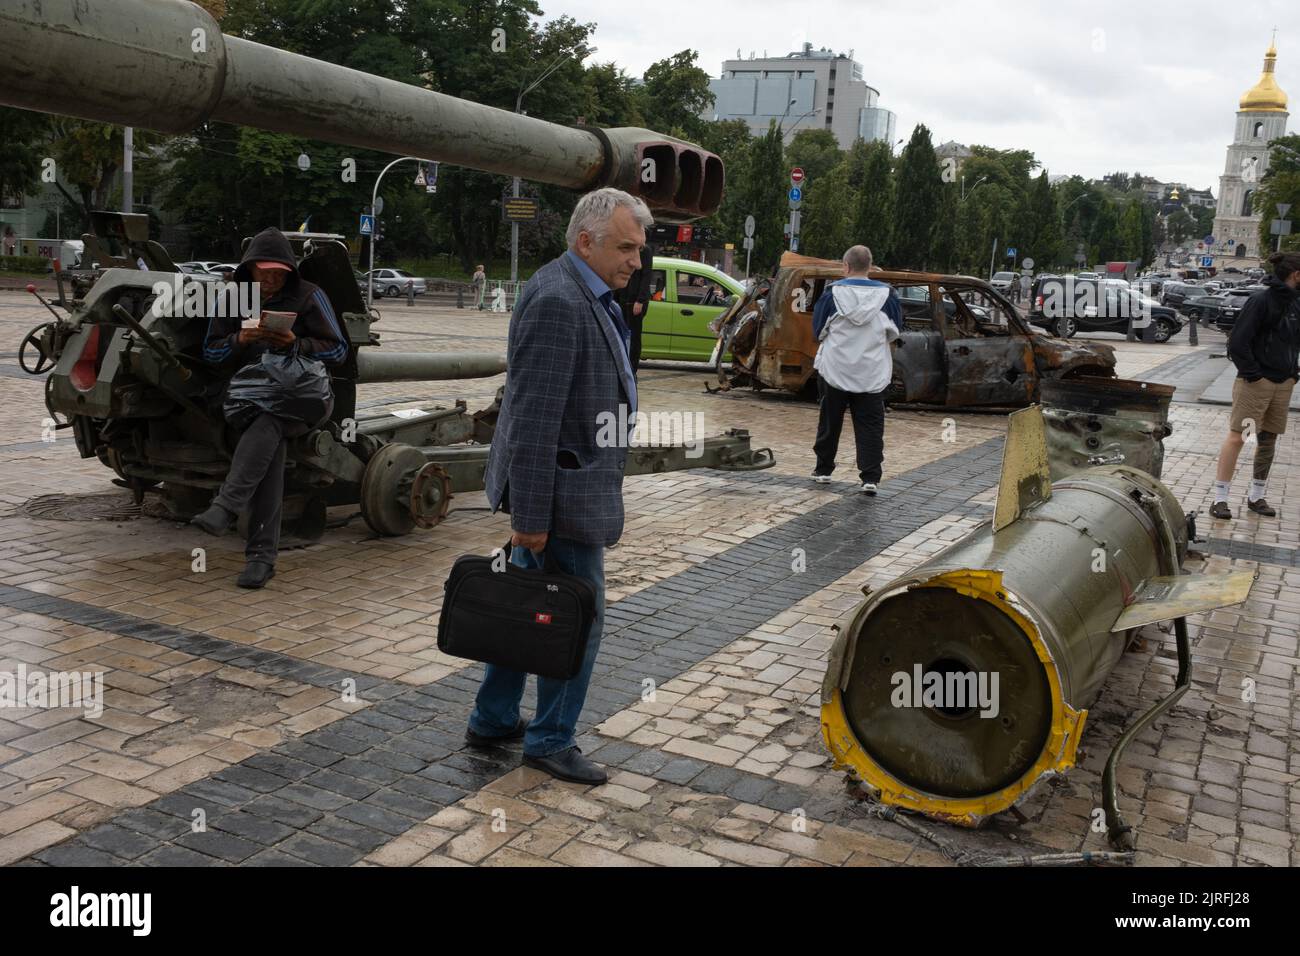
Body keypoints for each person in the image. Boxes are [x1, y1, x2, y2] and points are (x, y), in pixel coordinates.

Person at [470, 187, 648, 785]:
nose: (636, 261)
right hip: (562, 500)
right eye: (626, 248)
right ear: (585, 242)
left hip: (568, 489)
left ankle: (494, 717)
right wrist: (533, 518)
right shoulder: (559, 300)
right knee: (578, 616)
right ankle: (550, 740)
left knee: (525, 607)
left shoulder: (587, 292)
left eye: (640, 249)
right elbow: (534, 418)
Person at [191, 228, 348, 587]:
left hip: (302, 397)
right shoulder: (234, 297)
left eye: (280, 273)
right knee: (269, 430)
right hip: (250, 398)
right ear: (251, 270)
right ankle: (259, 556)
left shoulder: (310, 296)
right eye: (266, 273)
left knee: (271, 422)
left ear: (290, 272)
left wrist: (298, 342)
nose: (272, 280)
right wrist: (238, 339)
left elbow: (338, 352)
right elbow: (211, 352)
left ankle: (228, 509)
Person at [1210, 252, 1300, 520]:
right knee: (1241, 438)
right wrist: (1254, 375)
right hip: (1257, 385)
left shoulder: (1296, 304)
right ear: (1296, 275)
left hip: (1283, 384)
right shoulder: (1262, 300)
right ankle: (1220, 499)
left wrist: (1294, 373)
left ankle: (1256, 496)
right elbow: (1238, 342)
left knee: (1268, 440)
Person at [810, 244, 903, 495]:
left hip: (835, 369)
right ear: (870, 267)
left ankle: (823, 470)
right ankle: (870, 477)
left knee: (830, 421)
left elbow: (818, 331)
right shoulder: (888, 297)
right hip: (872, 372)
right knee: (871, 426)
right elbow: (894, 332)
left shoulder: (831, 295)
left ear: (846, 266)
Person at [614, 243, 653, 372]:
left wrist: (640, 300)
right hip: (621, 298)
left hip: (635, 300)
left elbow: (647, 275)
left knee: (634, 336)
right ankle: (621, 364)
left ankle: (632, 368)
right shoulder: (623, 248)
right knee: (620, 334)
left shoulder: (645, 251)